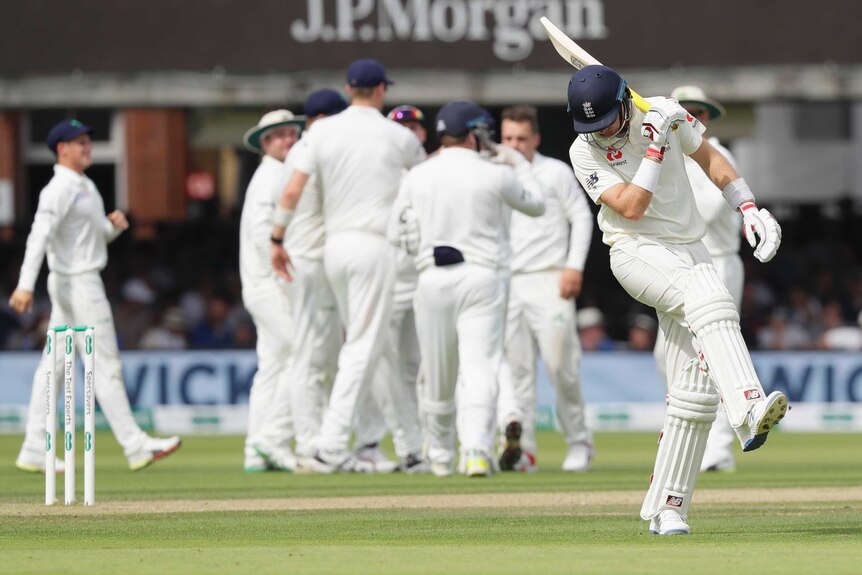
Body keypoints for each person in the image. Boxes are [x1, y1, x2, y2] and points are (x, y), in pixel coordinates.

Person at [566, 65, 787, 535]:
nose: (601, 132)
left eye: (607, 120)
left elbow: (712, 161)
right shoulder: (582, 151)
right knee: (711, 298)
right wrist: (654, 145)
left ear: (626, 101)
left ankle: (668, 508)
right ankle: (748, 406)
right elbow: (630, 206)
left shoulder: (666, 115)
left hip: (690, 248)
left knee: (693, 392)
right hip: (634, 253)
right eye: (592, 125)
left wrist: (748, 206)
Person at [271, 59, 426, 472]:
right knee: (363, 346)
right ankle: (330, 444)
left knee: (374, 347)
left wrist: (276, 237)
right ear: (381, 91)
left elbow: (292, 190)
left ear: (348, 87)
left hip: (334, 249)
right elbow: (428, 185)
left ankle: (412, 448)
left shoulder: (321, 132)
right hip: (375, 248)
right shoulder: (397, 136)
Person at [9, 119, 181, 473]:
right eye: (81, 143)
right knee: (104, 364)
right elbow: (39, 236)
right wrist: (25, 284)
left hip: (75, 280)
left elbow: (87, 240)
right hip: (79, 284)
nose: (88, 147)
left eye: (89, 141)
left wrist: (111, 229)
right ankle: (135, 446)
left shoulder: (84, 185)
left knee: (54, 367)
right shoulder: (59, 188)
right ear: (62, 149)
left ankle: (34, 447)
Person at [389, 100, 545, 477]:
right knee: (480, 367)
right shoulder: (493, 173)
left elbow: (397, 232)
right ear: (476, 134)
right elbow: (537, 205)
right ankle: (475, 450)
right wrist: (518, 161)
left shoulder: (418, 174)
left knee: (439, 372)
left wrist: (419, 246)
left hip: (431, 278)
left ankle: (441, 456)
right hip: (481, 278)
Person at [494, 104, 595, 473]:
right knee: (517, 370)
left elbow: (582, 216)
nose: (514, 144)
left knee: (560, 366)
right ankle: (526, 450)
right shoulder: (494, 173)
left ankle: (579, 441)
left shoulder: (554, 171)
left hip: (551, 278)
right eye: (507, 138)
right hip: (507, 282)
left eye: (521, 138)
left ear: (535, 138)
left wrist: (574, 266)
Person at [654, 85, 744, 472]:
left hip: (717, 264)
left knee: (715, 355)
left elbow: (705, 212)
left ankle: (720, 446)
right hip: (681, 265)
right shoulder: (666, 157)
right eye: (683, 111)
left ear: (707, 119)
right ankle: (690, 432)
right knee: (666, 355)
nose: (691, 118)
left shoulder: (717, 155)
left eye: (698, 113)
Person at [350, 105, 432, 473]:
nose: (409, 134)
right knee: (378, 364)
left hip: (422, 279)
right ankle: (383, 441)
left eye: (414, 127)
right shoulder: (376, 172)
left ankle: (424, 443)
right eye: (402, 128)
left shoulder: (430, 171)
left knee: (417, 366)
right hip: (384, 279)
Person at [238, 109, 304, 472]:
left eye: (293, 134)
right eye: (280, 136)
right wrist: (284, 283)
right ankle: (273, 439)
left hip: (262, 286)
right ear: (265, 143)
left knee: (272, 367)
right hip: (269, 286)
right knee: (302, 356)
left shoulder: (275, 174)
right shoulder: (272, 177)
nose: (289, 141)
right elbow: (262, 235)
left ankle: (254, 449)